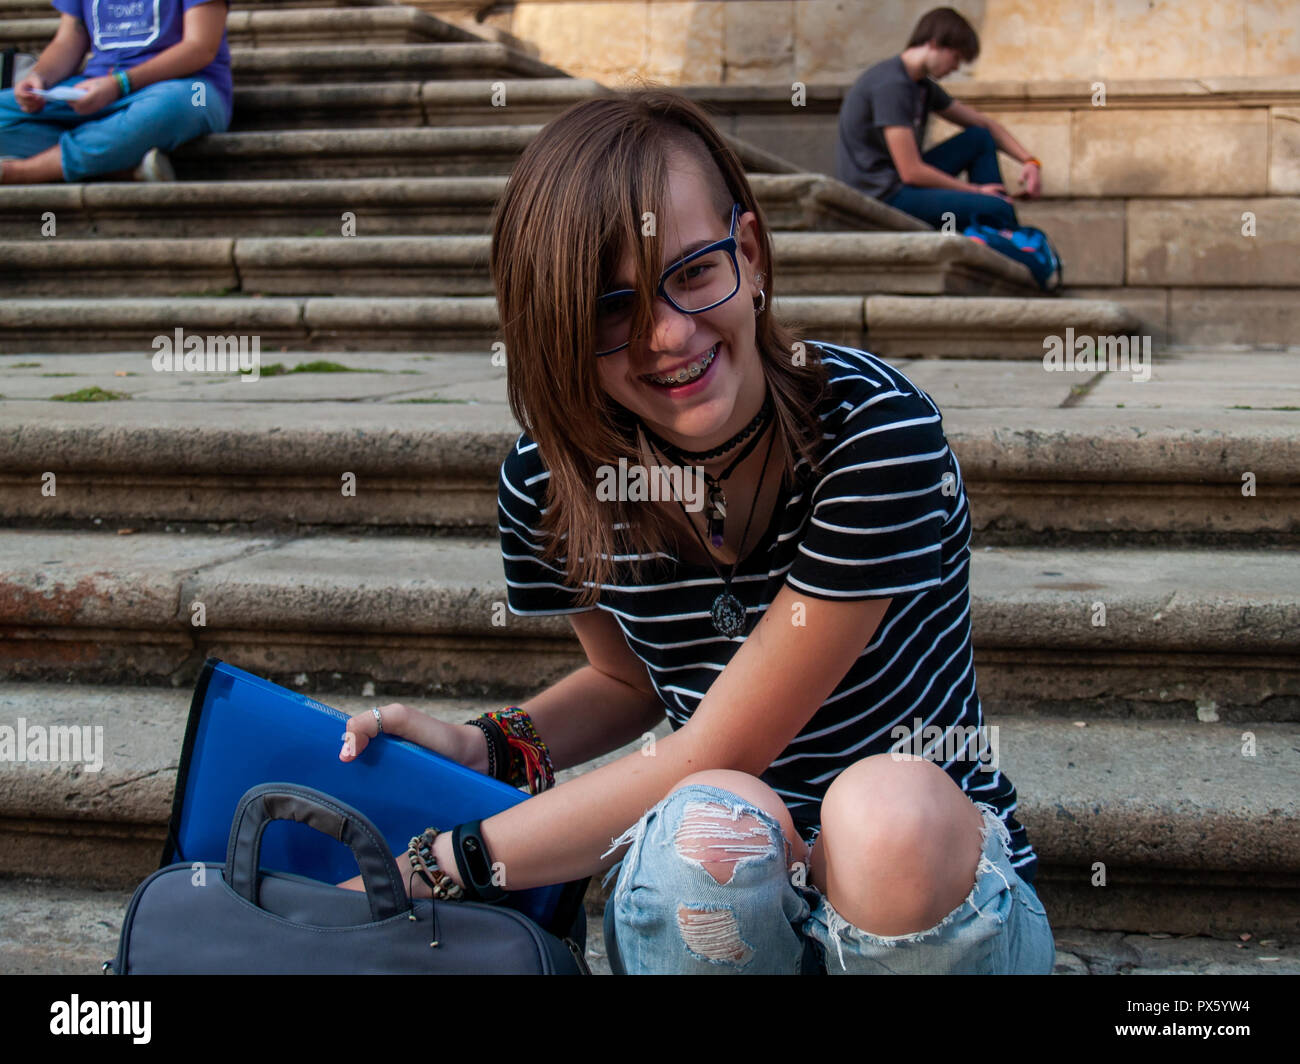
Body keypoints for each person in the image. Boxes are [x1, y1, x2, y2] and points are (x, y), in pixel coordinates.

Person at [338, 87, 1055, 975]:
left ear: (747, 254)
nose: (669, 336)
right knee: (709, 825)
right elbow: (626, 679)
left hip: (930, 897)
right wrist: (492, 745)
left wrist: (430, 866)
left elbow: (724, 741)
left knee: (879, 810)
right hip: (727, 881)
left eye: (694, 273)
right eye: (611, 309)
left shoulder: (873, 433)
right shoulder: (551, 479)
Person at [837, 6, 1042, 232]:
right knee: (997, 208)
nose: (955, 68)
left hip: (901, 183)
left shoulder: (921, 85)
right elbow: (911, 171)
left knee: (979, 138)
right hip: (883, 195)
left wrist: (1029, 162)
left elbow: (983, 124)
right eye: (955, 58)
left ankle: (994, 231)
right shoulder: (891, 85)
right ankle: (1003, 239)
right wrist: (975, 191)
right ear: (934, 44)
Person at [0, 0, 231, 184]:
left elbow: (200, 48)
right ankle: (118, 163)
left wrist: (119, 84)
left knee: (178, 105)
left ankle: (22, 172)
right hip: (95, 86)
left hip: (189, 87)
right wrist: (38, 78)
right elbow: (68, 38)